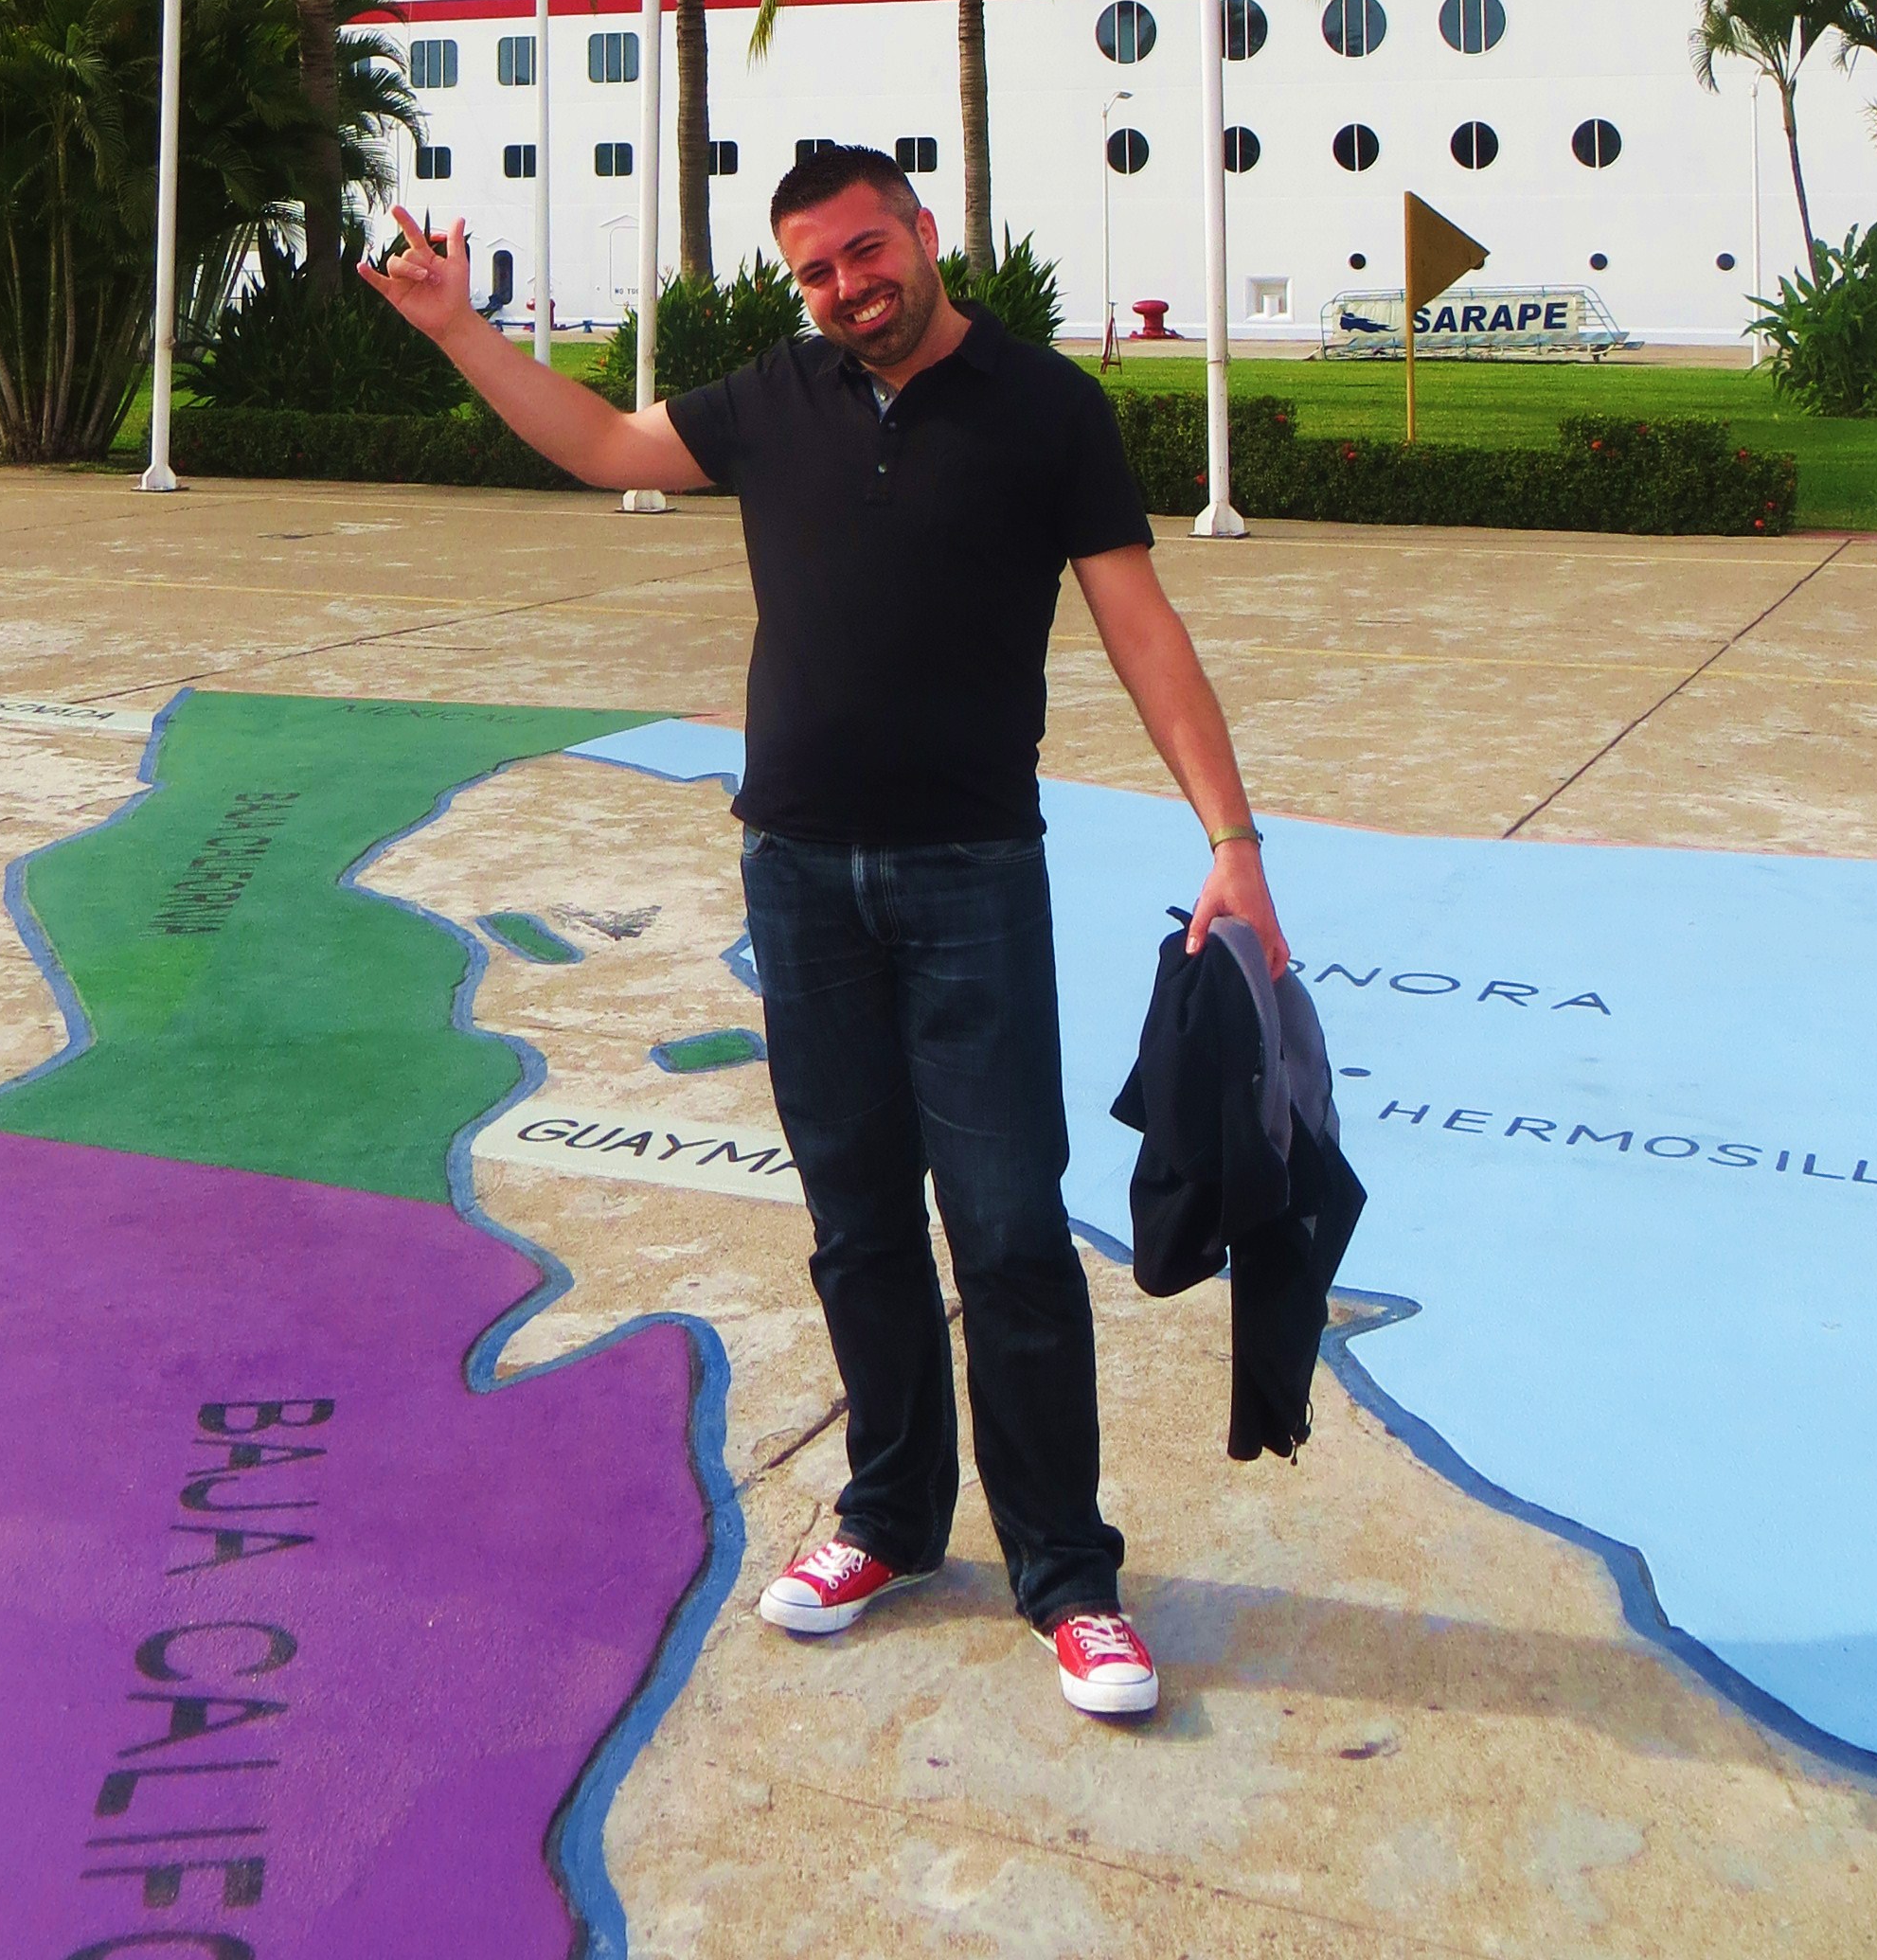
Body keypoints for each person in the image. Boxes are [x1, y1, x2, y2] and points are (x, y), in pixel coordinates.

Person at [363, 140, 1289, 1722]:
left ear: (923, 232)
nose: (849, 288)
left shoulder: (1046, 409)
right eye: (816, 271)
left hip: (970, 876)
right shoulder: (773, 399)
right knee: (857, 1221)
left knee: (1008, 1231)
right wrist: (459, 330)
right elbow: (604, 444)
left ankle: (1068, 1574)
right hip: (796, 876)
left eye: (867, 251)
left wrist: (1234, 840)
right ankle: (890, 1518)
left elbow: (1141, 623)